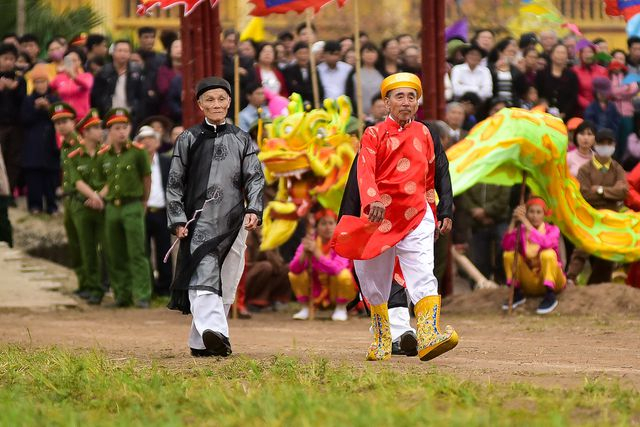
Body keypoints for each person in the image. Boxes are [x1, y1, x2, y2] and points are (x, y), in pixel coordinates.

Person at [333, 73, 457, 361]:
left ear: (417, 103)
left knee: (423, 271)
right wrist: (373, 200)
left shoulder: (426, 133)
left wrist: (439, 210)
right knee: (374, 281)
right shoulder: (373, 134)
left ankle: (428, 335)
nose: (406, 102)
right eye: (399, 96)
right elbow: (364, 171)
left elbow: (431, 175)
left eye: (412, 97)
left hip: (416, 214)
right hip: (379, 218)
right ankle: (381, 338)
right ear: (386, 102)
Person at [166, 77, 264, 357]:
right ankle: (218, 333)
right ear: (200, 104)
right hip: (199, 222)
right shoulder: (187, 139)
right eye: (209, 99)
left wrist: (254, 209)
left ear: (230, 102)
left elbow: (255, 177)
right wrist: (177, 218)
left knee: (228, 279)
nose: (216, 104)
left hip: (234, 221)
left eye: (222, 99)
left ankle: (202, 341)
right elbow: (174, 181)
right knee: (203, 276)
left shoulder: (242, 139)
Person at [97, 108, 152, 307]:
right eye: (117, 128)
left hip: (132, 205)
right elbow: (104, 181)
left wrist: (144, 201)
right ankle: (122, 294)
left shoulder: (138, 152)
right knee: (115, 252)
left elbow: (146, 178)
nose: (121, 132)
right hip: (112, 206)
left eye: (125, 127)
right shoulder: (104, 155)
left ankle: (143, 295)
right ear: (109, 131)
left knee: (137, 252)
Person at [567, 128, 629, 285]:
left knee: (607, 252)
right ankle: (571, 279)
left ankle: (597, 285)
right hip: (590, 215)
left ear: (614, 145)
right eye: (602, 143)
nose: (606, 146)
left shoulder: (617, 168)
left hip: (611, 216)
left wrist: (600, 190)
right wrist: (610, 193)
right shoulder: (585, 169)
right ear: (596, 145)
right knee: (582, 248)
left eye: (609, 143)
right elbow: (585, 193)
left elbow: (623, 191)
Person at [289, 209, 356, 321]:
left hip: (335, 289)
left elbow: (337, 269)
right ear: (317, 227)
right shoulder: (310, 241)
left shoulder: (342, 242)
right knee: (294, 275)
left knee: (344, 275)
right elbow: (294, 269)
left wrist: (317, 254)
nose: (327, 227)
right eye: (323, 224)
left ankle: (340, 308)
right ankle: (305, 307)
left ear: (336, 225)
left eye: (331, 223)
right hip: (316, 288)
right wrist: (305, 253)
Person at [502, 197, 566, 314]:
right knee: (509, 255)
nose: (534, 216)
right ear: (527, 213)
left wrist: (526, 223)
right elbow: (506, 245)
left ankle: (550, 296)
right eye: (531, 212)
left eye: (538, 212)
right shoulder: (521, 231)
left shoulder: (553, 229)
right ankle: (516, 293)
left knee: (548, 254)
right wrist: (514, 220)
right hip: (531, 282)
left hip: (554, 281)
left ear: (544, 214)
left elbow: (546, 243)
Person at [69, 108, 107, 305]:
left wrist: (100, 197)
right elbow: (76, 181)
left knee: (107, 248)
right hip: (83, 205)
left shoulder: (107, 152)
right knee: (87, 248)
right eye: (95, 128)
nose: (100, 131)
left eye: (100, 127)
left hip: (104, 206)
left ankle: (110, 286)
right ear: (84, 132)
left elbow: (113, 178)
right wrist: (94, 196)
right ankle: (93, 287)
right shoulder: (75, 155)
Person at [51, 102, 87, 297]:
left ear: (73, 122)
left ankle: (91, 284)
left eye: (64, 121)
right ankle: (83, 282)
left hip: (80, 198)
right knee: (74, 242)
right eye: (57, 123)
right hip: (68, 198)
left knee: (85, 242)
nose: (61, 126)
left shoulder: (80, 145)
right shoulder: (64, 146)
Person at [135, 126, 173, 297]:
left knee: (164, 250)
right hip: (142, 211)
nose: (147, 142)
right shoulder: (134, 161)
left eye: (151, 138)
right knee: (142, 250)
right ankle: (147, 286)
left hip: (162, 210)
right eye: (143, 139)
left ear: (158, 142)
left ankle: (165, 287)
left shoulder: (167, 161)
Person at [20, 64, 60, 214]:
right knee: (34, 176)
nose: (41, 85)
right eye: (37, 82)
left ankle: (51, 205)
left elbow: (59, 119)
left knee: (50, 176)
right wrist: (36, 109)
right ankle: (35, 205)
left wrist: (49, 107)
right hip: (33, 142)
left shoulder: (55, 98)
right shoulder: (28, 100)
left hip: (50, 142)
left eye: (43, 81)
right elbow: (24, 120)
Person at [91, 40, 145, 127]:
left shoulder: (137, 71)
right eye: (120, 50)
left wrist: (137, 109)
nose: (123, 54)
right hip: (109, 115)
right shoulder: (103, 72)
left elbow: (141, 94)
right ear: (113, 52)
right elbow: (96, 96)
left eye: (126, 51)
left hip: (130, 115)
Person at [0, 43, 26, 193]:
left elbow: (23, 100)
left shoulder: (19, 79)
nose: (9, 62)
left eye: (12, 59)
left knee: (14, 159)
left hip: (16, 125)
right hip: (0, 124)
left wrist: (14, 89)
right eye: (5, 58)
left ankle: (9, 191)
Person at [535, 44, 579, 119]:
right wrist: (542, 103)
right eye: (558, 52)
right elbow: (538, 93)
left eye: (563, 53)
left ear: (567, 56)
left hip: (565, 116)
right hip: (543, 115)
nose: (560, 55)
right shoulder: (541, 74)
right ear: (552, 55)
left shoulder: (572, 75)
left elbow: (573, 97)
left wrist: (564, 113)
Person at [50, 48, 93, 119]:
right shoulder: (59, 77)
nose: (71, 63)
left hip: (82, 118)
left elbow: (87, 85)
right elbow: (49, 89)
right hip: (64, 117)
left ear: (80, 62)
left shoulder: (86, 76)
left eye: (74, 60)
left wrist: (73, 75)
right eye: (68, 61)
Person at [608, 61, 638, 160]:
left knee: (625, 139)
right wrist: (625, 89)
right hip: (613, 113)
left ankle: (623, 162)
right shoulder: (608, 76)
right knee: (614, 138)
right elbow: (611, 91)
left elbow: (634, 89)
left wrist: (618, 92)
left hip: (628, 113)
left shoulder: (629, 77)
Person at [346, 43, 384, 116]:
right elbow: (349, 94)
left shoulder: (382, 74)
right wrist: (357, 112)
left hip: (379, 115)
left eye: (372, 52)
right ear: (361, 55)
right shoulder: (354, 73)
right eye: (367, 52)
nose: (370, 55)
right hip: (359, 115)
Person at [282, 42, 323, 106]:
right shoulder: (289, 70)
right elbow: (292, 88)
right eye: (300, 53)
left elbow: (319, 89)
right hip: (296, 104)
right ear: (295, 55)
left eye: (306, 53)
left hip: (313, 104)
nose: (303, 56)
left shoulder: (314, 70)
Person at [156, 39, 182, 119]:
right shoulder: (163, 70)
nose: (179, 49)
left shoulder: (192, 70)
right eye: (176, 47)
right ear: (169, 51)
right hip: (167, 113)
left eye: (182, 46)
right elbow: (163, 89)